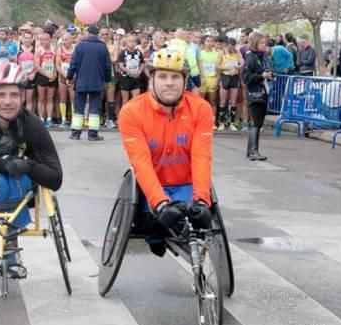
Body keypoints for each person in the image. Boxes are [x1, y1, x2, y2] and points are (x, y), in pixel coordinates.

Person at [0, 62, 63, 276]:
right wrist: (0, 162)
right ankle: (4, 248)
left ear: (22, 97)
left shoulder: (33, 125)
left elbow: (55, 179)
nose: (8, 101)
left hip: (23, 184)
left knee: (16, 180)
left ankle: (5, 245)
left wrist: (27, 164)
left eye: (14, 95)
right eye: (1, 95)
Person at [117, 49, 214, 257]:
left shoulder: (201, 109)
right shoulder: (131, 112)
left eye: (175, 77)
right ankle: (156, 235)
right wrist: (160, 204)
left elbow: (201, 157)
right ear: (151, 79)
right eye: (162, 76)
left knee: (195, 221)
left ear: (185, 80)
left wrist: (203, 201)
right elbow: (140, 162)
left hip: (185, 182)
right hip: (150, 186)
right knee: (153, 224)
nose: (169, 83)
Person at [67, 25, 112, 141]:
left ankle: (75, 133)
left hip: (81, 81)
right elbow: (108, 67)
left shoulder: (80, 45)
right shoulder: (103, 47)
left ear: (88, 33)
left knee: (78, 108)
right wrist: (107, 80)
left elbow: (73, 64)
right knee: (94, 109)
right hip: (97, 81)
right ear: (97, 34)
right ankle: (93, 134)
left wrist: (69, 77)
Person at [242, 32, 274, 161]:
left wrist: (270, 73)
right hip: (255, 93)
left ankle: (251, 150)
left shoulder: (262, 57)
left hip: (263, 92)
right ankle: (253, 150)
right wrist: (262, 76)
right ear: (255, 43)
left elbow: (265, 71)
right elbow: (246, 78)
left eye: (265, 43)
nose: (264, 45)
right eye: (261, 43)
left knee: (258, 123)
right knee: (256, 123)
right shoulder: (251, 58)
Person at [217, 37, 243, 131]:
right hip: (225, 77)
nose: (231, 48)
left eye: (233, 46)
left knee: (233, 101)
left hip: (234, 78)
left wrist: (238, 66)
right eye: (229, 46)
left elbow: (242, 62)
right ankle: (221, 123)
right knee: (223, 101)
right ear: (226, 45)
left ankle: (232, 123)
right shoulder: (222, 52)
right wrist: (226, 68)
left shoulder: (237, 52)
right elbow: (217, 66)